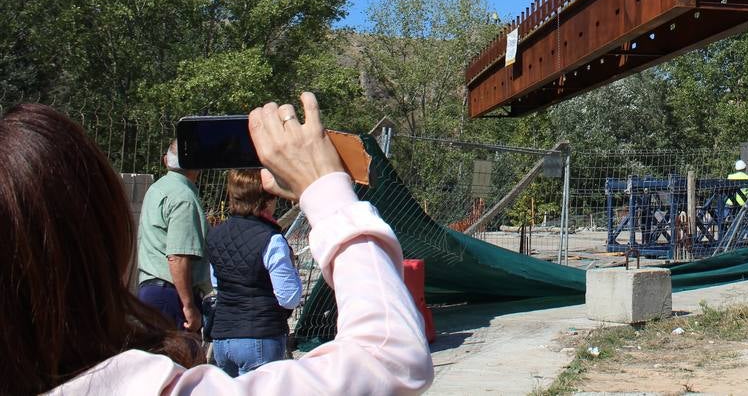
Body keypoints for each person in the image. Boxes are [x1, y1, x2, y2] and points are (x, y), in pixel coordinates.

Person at [1, 93, 433, 394]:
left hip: (223, 333)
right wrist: (326, 191)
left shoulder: (201, 220)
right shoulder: (254, 232)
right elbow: (388, 361)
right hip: (257, 332)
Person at [207, 169, 303, 376]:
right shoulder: (272, 240)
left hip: (222, 338)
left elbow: (216, 283)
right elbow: (289, 297)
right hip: (260, 336)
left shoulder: (215, 235)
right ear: (266, 200)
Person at [137, 138, 211, 333]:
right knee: (181, 360)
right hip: (173, 295)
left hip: (149, 290)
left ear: (165, 161)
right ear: (197, 165)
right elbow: (178, 256)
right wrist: (188, 306)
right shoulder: (184, 197)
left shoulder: (156, 189)